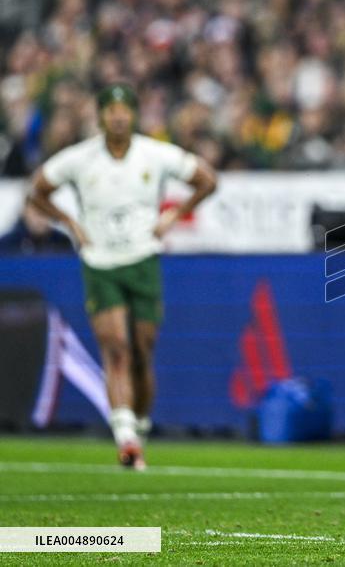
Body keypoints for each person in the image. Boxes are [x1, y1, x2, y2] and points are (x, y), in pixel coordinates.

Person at [28, 84, 217, 470]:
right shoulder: (80, 159)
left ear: (134, 115)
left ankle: (139, 427)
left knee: (143, 352)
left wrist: (173, 215)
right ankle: (126, 438)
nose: (117, 116)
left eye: (124, 109)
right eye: (110, 109)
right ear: (99, 116)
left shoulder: (155, 153)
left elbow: (207, 180)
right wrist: (69, 223)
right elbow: (39, 190)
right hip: (100, 262)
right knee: (116, 347)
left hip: (143, 259)